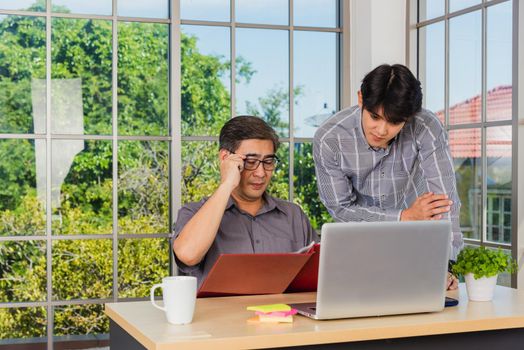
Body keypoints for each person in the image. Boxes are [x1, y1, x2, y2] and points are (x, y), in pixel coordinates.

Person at [313, 64, 462, 290]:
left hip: (418, 247)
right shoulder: (329, 139)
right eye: (375, 117)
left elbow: (445, 202)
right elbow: (341, 209)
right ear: (361, 98)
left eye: (394, 122)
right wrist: (404, 216)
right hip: (361, 248)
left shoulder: (425, 126)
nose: (381, 130)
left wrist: (447, 264)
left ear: (408, 117)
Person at [173, 116, 317, 287]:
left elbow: (319, 277)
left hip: (282, 313)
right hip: (222, 314)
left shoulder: (294, 216)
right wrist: (227, 184)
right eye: (250, 162)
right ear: (226, 158)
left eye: (268, 162)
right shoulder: (193, 213)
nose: (261, 173)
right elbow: (188, 254)